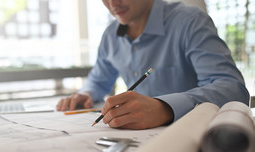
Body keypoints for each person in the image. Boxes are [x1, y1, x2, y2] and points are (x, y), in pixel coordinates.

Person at [56, 0, 250, 130]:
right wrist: (86, 93)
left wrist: (165, 107)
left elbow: (233, 89)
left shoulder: (190, 22)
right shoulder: (110, 35)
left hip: (189, 137)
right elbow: (99, 81)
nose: (113, 3)